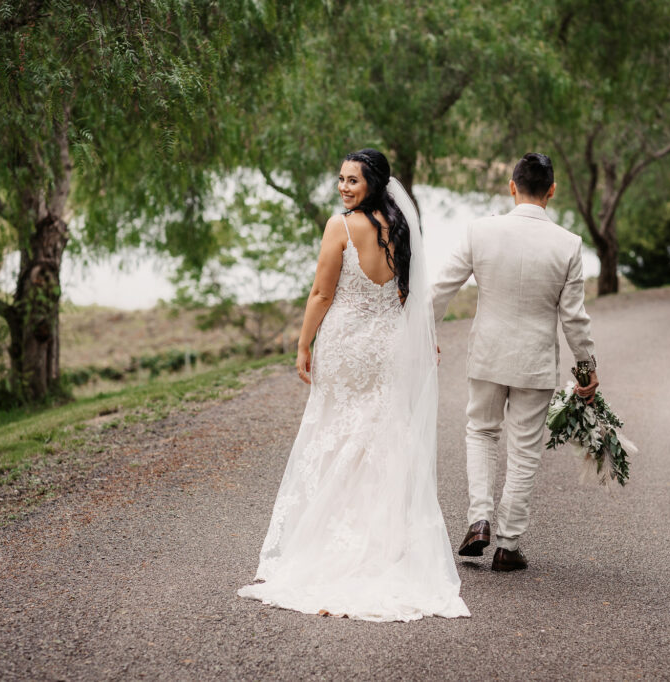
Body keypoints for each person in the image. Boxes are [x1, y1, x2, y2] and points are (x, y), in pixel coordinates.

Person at [238, 148, 470, 622]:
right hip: (386, 346)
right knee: (381, 433)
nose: (344, 187)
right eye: (341, 179)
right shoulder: (400, 227)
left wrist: (303, 343)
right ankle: (384, 540)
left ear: (374, 184)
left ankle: (332, 539)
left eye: (353, 181)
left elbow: (322, 292)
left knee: (336, 433)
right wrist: (421, 341)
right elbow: (407, 292)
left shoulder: (340, 226)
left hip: (346, 346)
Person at [430, 152, 598, 572]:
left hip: (487, 356)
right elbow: (574, 318)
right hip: (535, 363)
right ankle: (507, 543)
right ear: (552, 191)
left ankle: (479, 519)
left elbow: (439, 289)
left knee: (482, 434)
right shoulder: (568, 244)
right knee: (524, 451)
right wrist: (586, 368)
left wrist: (426, 334)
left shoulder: (480, 231)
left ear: (512, 186)